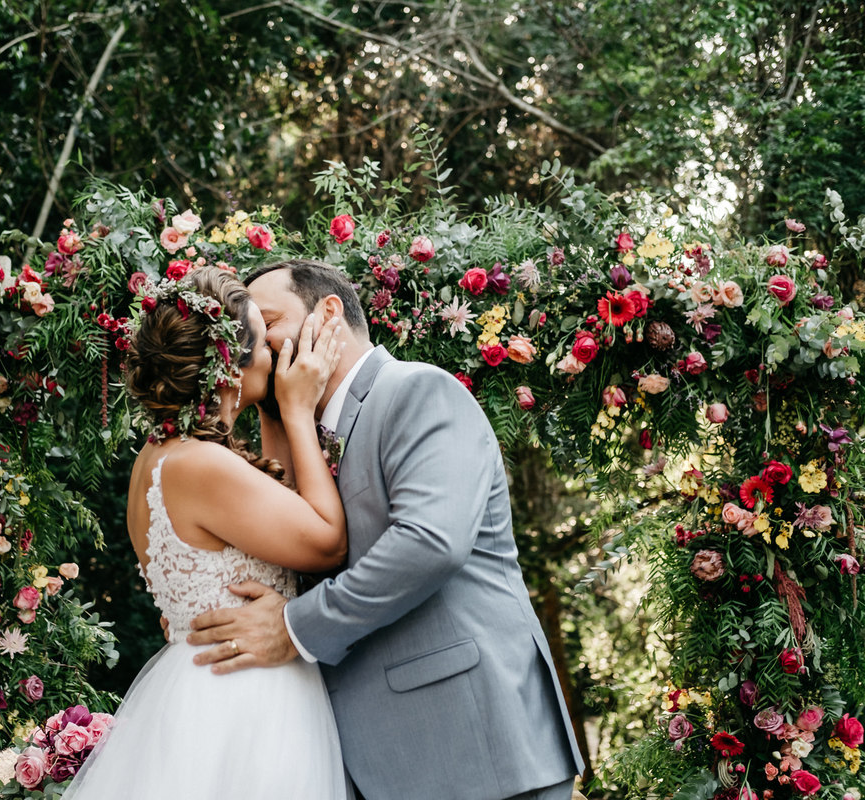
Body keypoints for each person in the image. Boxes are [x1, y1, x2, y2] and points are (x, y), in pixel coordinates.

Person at [187, 259, 585, 800]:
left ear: (328, 314)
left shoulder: (417, 391)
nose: (252, 341)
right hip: (371, 761)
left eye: (269, 320)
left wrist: (294, 628)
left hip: (472, 745)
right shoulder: (294, 434)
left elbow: (430, 544)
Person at [62, 267, 351, 798]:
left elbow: (277, 501)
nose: (274, 354)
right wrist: (299, 410)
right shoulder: (200, 466)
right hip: (242, 701)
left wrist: (270, 413)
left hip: (200, 687)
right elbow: (327, 541)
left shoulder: (162, 455)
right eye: (263, 344)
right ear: (229, 369)